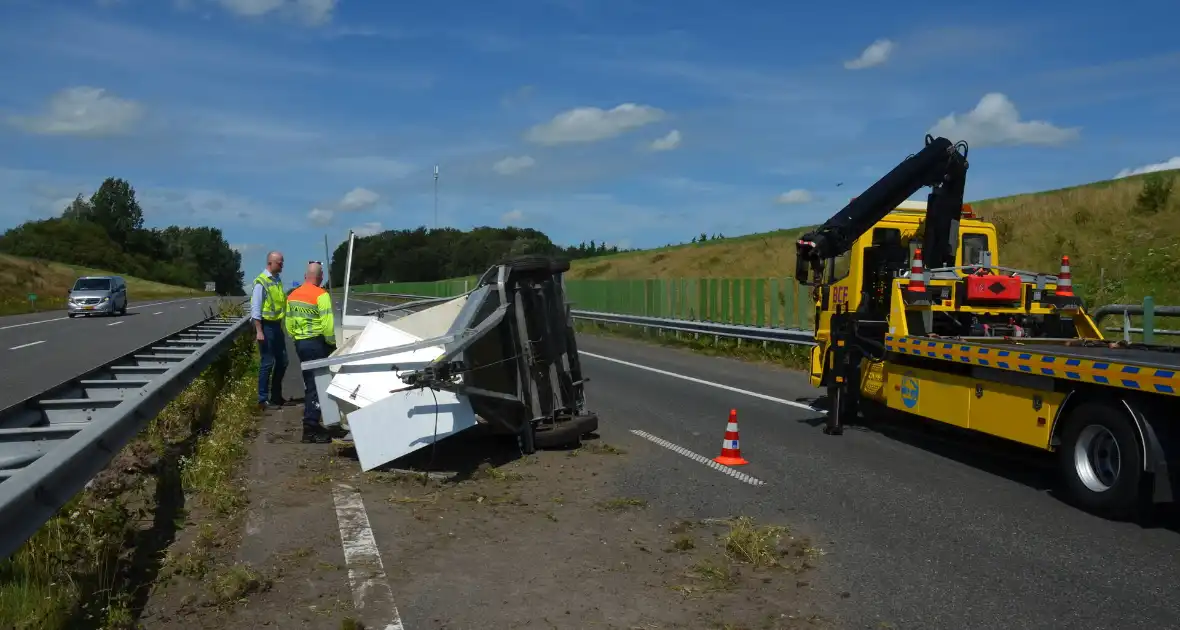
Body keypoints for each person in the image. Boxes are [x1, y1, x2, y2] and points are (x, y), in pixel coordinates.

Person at [284, 261, 338, 443]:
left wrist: (296, 338)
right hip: (316, 343)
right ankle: (311, 426)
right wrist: (331, 343)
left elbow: (289, 323)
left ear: (305, 276)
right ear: (320, 277)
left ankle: (312, 422)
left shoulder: (293, 295)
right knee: (317, 385)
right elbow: (328, 324)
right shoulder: (321, 295)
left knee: (310, 383)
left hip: (300, 343)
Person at [251, 251, 290, 411]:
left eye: (282, 262)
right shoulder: (261, 282)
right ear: (270, 263)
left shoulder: (277, 280)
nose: (282, 265)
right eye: (279, 263)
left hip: (276, 325)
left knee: (283, 360)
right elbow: (256, 309)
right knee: (267, 362)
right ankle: (262, 399)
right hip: (265, 326)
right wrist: (259, 331)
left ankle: (275, 396)